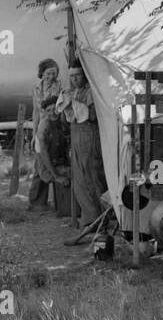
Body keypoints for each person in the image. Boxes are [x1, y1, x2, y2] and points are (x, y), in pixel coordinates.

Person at [58, 62, 110, 243]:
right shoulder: (70, 92)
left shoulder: (90, 92)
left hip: (90, 137)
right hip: (76, 139)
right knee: (79, 180)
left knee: (92, 179)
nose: (74, 79)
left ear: (84, 75)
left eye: (77, 75)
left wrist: (79, 106)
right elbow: (66, 121)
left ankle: (99, 220)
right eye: (71, 76)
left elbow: (95, 116)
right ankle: (89, 219)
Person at [28, 59, 61, 210]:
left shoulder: (59, 86)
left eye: (53, 73)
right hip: (41, 126)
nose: (51, 76)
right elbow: (36, 111)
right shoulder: (36, 88)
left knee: (53, 160)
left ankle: (57, 200)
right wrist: (34, 132)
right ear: (42, 73)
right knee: (39, 162)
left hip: (54, 125)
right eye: (48, 73)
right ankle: (37, 202)